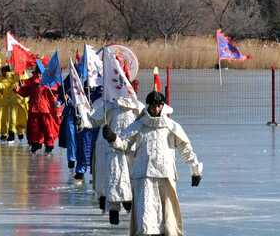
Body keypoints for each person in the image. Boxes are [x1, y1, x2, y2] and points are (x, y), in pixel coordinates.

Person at [103, 91, 203, 236]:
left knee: (167, 218)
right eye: (153, 106)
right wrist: (112, 138)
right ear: (148, 106)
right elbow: (124, 144)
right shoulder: (139, 125)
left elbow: (185, 149)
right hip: (144, 176)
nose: (156, 109)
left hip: (165, 175)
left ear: (163, 106)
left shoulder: (171, 127)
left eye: (159, 106)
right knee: (146, 215)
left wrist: (195, 170)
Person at [87, 90, 144, 224]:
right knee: (114, 177)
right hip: (112, 147)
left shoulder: (137, 106)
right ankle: (113, 210)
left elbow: (145, 121)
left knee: (131, 177)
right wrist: (83, 119)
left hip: (131, 147)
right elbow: (93, 120)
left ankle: (130, 203)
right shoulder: (109, 107)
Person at [15, 60, 59, 154]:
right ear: (36, 72)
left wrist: (56, 91)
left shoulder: (47, 81)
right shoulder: (31, 81)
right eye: (38, 73)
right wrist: (18, 90)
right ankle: (36, 144)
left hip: (44, 109)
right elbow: (25, 92)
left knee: (47, 128)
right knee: (34, 128)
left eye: (41, 73)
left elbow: (55, 91)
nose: (39, 75)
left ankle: (49, 145)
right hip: (34, 109)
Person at [0, 65, 19, 143]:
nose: (1, 72)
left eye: (2, 71)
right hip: (4, 101)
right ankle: (4, 134)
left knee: (12, 118)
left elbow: (3, 85)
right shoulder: (1, 78)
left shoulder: (13, 77)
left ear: (5, 71)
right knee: (3, 119)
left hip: (13, 101)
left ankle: (12, 134)